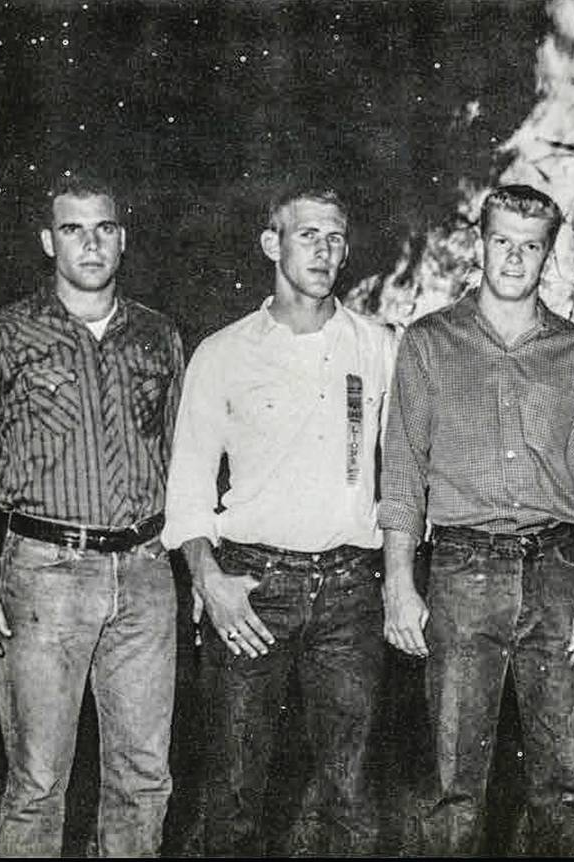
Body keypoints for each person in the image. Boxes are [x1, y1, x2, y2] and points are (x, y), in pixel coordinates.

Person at [378, 184, 574, 856]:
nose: (514, 257)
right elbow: (401, 473)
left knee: (566, 779)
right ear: (479, 242)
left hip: (559, 570)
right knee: (453, 779)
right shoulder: (429, 343)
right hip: (462, 568)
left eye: (530, 245)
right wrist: (398, 583)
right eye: (502, 240)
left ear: (548, 254)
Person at [161, 186, 397, 855]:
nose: (325, 250)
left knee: (351, 793)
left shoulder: (378, 347)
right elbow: (188, 486)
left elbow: (406, 471)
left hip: (350, 591)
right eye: (308, 235)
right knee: (236, 790)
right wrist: (209, 581)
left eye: (336, 237)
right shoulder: (225, 353)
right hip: (253, 590)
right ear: (272, 243)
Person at [0, 173, 183, 856]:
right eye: (75, 229)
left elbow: (182, 460)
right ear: (49, 241)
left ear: (124, 238)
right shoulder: (4, 334)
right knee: (37, 779)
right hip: (44, 576)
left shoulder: (158, 336)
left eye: (105, 227)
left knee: (144, 778)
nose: (92, 242)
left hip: (145, 574)